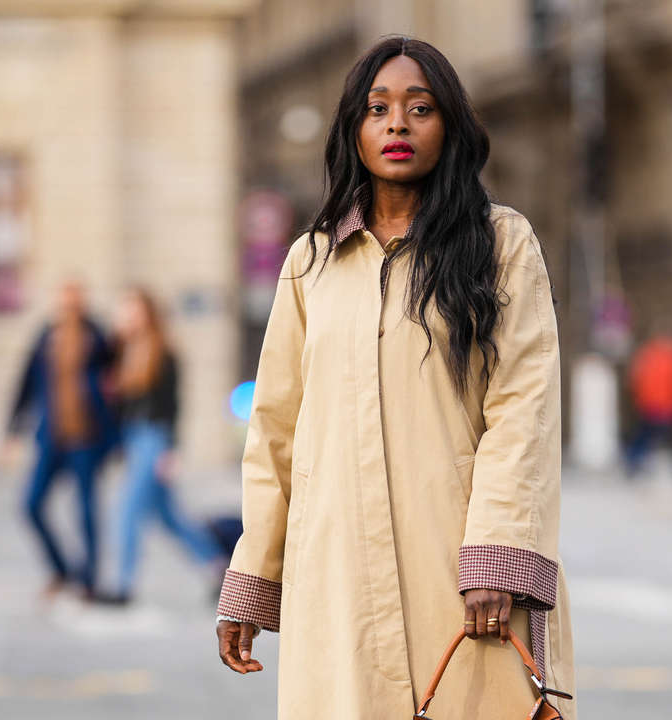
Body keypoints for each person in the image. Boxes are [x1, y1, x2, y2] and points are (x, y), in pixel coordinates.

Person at [214, 37, 575, 719]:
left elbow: (524, 407)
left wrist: (496, 556)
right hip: (338, 578)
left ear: (452, 126)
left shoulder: (502, 245)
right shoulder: (310, 261)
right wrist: (252, 579)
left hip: (459, 578)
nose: (397, 125)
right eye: (378, 109)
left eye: (420, 108)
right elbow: (275, 432)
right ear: (354, 128)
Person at [102, 289, 227, 605]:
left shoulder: (164, 351)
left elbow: (173, 404)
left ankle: (123, 586)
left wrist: (171, 449)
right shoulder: (124, 349)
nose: (128, 316)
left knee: (127, 509)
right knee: (170, 516)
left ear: (147, 312)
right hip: (133, 436)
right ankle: (220, 570)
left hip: (154, 437)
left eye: (133, 309)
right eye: (124, 310)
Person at [7, 281, 116, 599]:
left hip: (86, 438)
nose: (70, 308)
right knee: (31, 505)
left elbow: (116, 388)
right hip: (51, 437)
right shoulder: (45, 337)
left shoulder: (98, 338)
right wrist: (12, 430)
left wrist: (115, 436)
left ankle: (89, 581)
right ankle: (61, 569)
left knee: (86, 511)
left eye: (75, 302)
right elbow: (25, 382)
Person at [625, 327, 672, 475]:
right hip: (658, 405)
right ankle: (635, 460)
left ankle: (635, 460)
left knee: (650, 435)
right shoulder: (667, 356)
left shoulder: (649, 354)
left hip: (659, 405)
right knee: (650, 435)